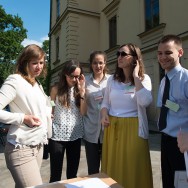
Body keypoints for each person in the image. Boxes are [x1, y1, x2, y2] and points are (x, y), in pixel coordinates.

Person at [100, 43, 153, 188]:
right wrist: (104, 114)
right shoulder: (112, 80)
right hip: (113, 128)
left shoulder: (144, 79)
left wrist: (135, 76)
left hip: (134, 128)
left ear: (135, 58)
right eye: (118, 54)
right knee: (114, 167)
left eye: (123, 54)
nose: (119, 57)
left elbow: (145, 101)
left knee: (133, 166)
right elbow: (105, 103)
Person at [0, 44, 52, 188]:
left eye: (41, 62)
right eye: (34, 62)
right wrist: (23, 118)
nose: (39, 66)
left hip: (38, 146)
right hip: (21, 147)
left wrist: (47, 116)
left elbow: (37, 108)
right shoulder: (15, 80)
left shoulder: (37, 84)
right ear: (24, 62)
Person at [157, 34, 188, 188]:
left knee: (181, 185)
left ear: (180, 53)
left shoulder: (186, 79)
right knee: (168, 183)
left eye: (168, 52)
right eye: (160, 53)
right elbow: (166, 106)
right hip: (166, 140)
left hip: (183, 146)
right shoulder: (164, 81)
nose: (163, 57)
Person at [49, 60, 87, 182]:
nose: (75, 80)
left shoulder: (79, 90)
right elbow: (51, 109)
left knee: (72, 175)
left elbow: (83, 112)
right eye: (72, 76)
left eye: (78, 76)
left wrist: (82, 93)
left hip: (75, 136)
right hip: (57, 136)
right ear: (65, 74)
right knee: (55, 174)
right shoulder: (55, 89)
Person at [83, 51, 110, 175]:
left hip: (108, 130)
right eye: (95, 63)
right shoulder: (85, 81)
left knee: (108, 169)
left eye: (100, 63)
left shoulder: (112, 80)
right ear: (91, 64)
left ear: (105, 64)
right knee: (93, 170)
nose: (98, 66)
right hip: (91, 129)